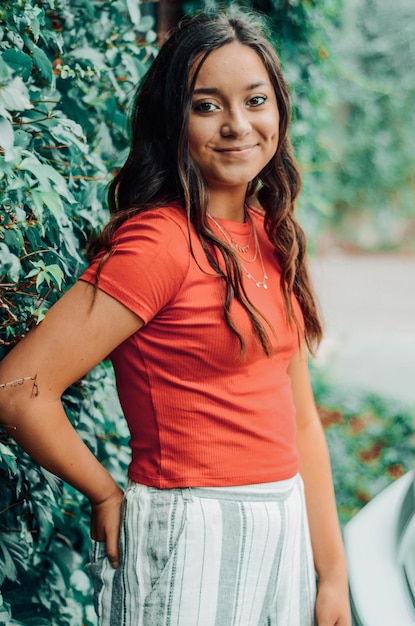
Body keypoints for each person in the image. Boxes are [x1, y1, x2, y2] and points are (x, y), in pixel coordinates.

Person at [0, 9, 351, 626]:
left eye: (256, 100)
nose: (238, 125)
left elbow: (300, 423)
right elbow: (17, 387)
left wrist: (332, 575)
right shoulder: (158, 244)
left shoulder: (273, 235)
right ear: (174, 120)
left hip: (283, 527)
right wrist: (105, 491)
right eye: (207, 105)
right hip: (191, 534)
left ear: (279, 110)